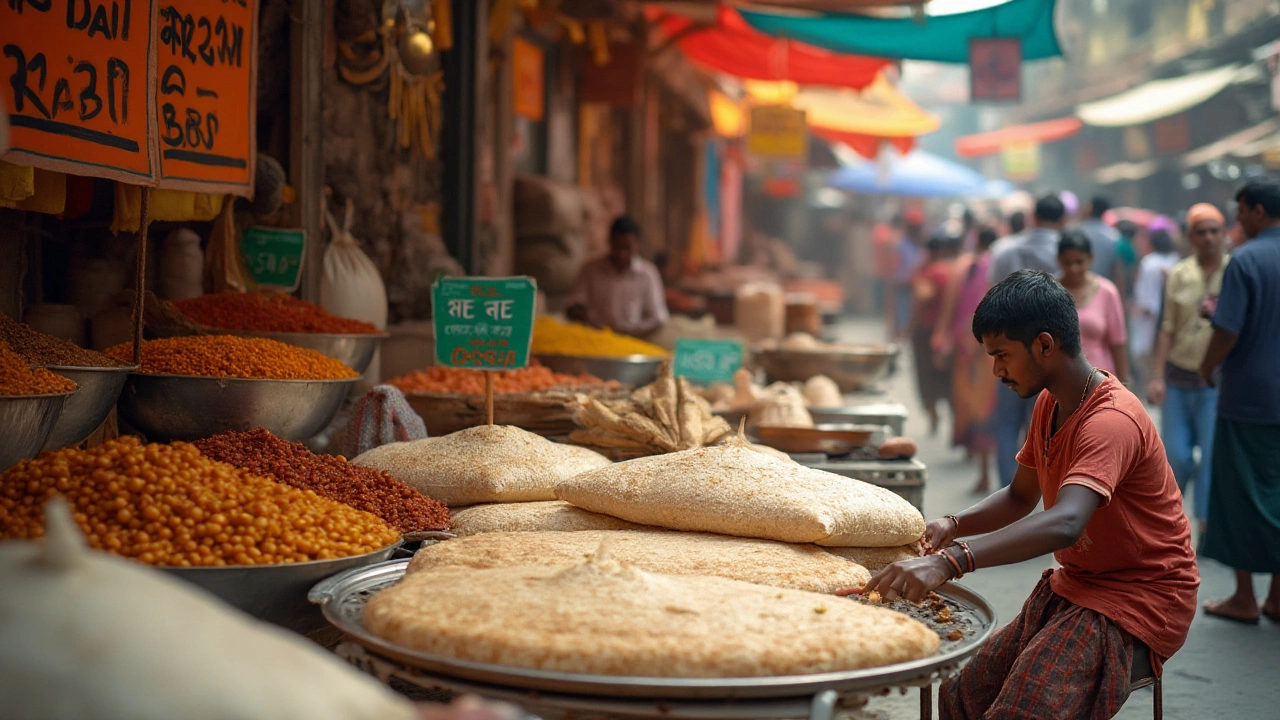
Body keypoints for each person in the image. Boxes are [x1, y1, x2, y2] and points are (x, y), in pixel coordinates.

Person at [865, 270, 1198, 719]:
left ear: (1044, 345)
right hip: (1079, 586)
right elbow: (1021, 495)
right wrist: (953, 524)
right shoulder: (1051, 402)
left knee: (1023, 708)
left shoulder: (1111, 419)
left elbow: (1066, 521)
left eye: (1002, 355)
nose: (996, 370)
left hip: (1142, 598)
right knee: (961, 695)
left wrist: (952, 561)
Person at [1198, 178, 1280, 625]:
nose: (1238, 220)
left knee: (1239, 497)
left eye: (1242, 211)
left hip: (1248, 397)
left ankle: (1246, 596)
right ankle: (1278, 596)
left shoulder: (1245, 260)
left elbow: (1227, 331)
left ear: (1257, 211)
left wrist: (1207, 367)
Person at [1147, 204, 1228, 532]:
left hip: (1216, 383)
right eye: (1201, 232)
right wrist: (1156, 376)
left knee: (1210, 458)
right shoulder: (1179, 273)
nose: (1208, 238)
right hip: (1178, 380)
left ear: (1223, 235)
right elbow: (1166, 327)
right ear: (1190, 237)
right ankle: (1174, 522)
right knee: (1177, 457)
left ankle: (1206, 525)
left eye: (1214, 231)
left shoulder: (1235, 271)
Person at [987, 194, 1067, 487]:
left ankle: (1010, 489)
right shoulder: (1066, 252)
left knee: (1007, 421)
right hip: (1049, 351)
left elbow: (990, 299)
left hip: (1009, 349)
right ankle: (1046, 487)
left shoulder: (1006, 251)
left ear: (1033, 217)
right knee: (1046, 423)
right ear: (1063, 219)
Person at [933, 226, 1001, 493]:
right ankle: (988, 470)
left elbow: (951, 308)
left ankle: (985, 470)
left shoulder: (965, 267)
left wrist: (942, 340)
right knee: (986, 408)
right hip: (989, 349)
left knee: (974, 406)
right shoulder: (992, 266)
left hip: (968, 347)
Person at [565, 216, 669, 338]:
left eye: (627, 247)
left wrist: (630, 332)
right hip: (595, 339)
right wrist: (587, 318)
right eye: (616, 246)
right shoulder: (591, 270)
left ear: (637, 244)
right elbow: (572, 305)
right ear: (609, 242)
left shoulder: (647, 274)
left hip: (633, 344)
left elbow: (658, 318)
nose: (621, 254)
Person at [1057, 230, 1130, 383]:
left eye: (1079, 262)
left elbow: (1118, 342)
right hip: (1058, 383)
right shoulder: (1050, 291)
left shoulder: (1107, 291)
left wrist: (1124, 383)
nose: (1073, 268)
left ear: (1090, 259)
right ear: (1058, 261)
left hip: (1098, 383)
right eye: (1067, 263)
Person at [909, 227, 961, 436]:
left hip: (928, 332)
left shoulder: (933, 271)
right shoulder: (957, 268)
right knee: (950, 379)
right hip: (953, 334)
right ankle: (956, 422)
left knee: (927, 378)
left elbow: (923, 298)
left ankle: (933, 416)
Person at [1129, 229, 1180, 382]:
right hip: (1171, 315)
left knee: (1147, 357)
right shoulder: (1176, 261)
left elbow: (1142, 292)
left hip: (1149, 314)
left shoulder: (1149, 262)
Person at [1079, 195, 1123, 295]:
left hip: (1077, 290)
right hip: (1103, 291)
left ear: (1090, 208)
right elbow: (1117, 272)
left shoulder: (1078, 231)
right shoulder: (1114, 236)